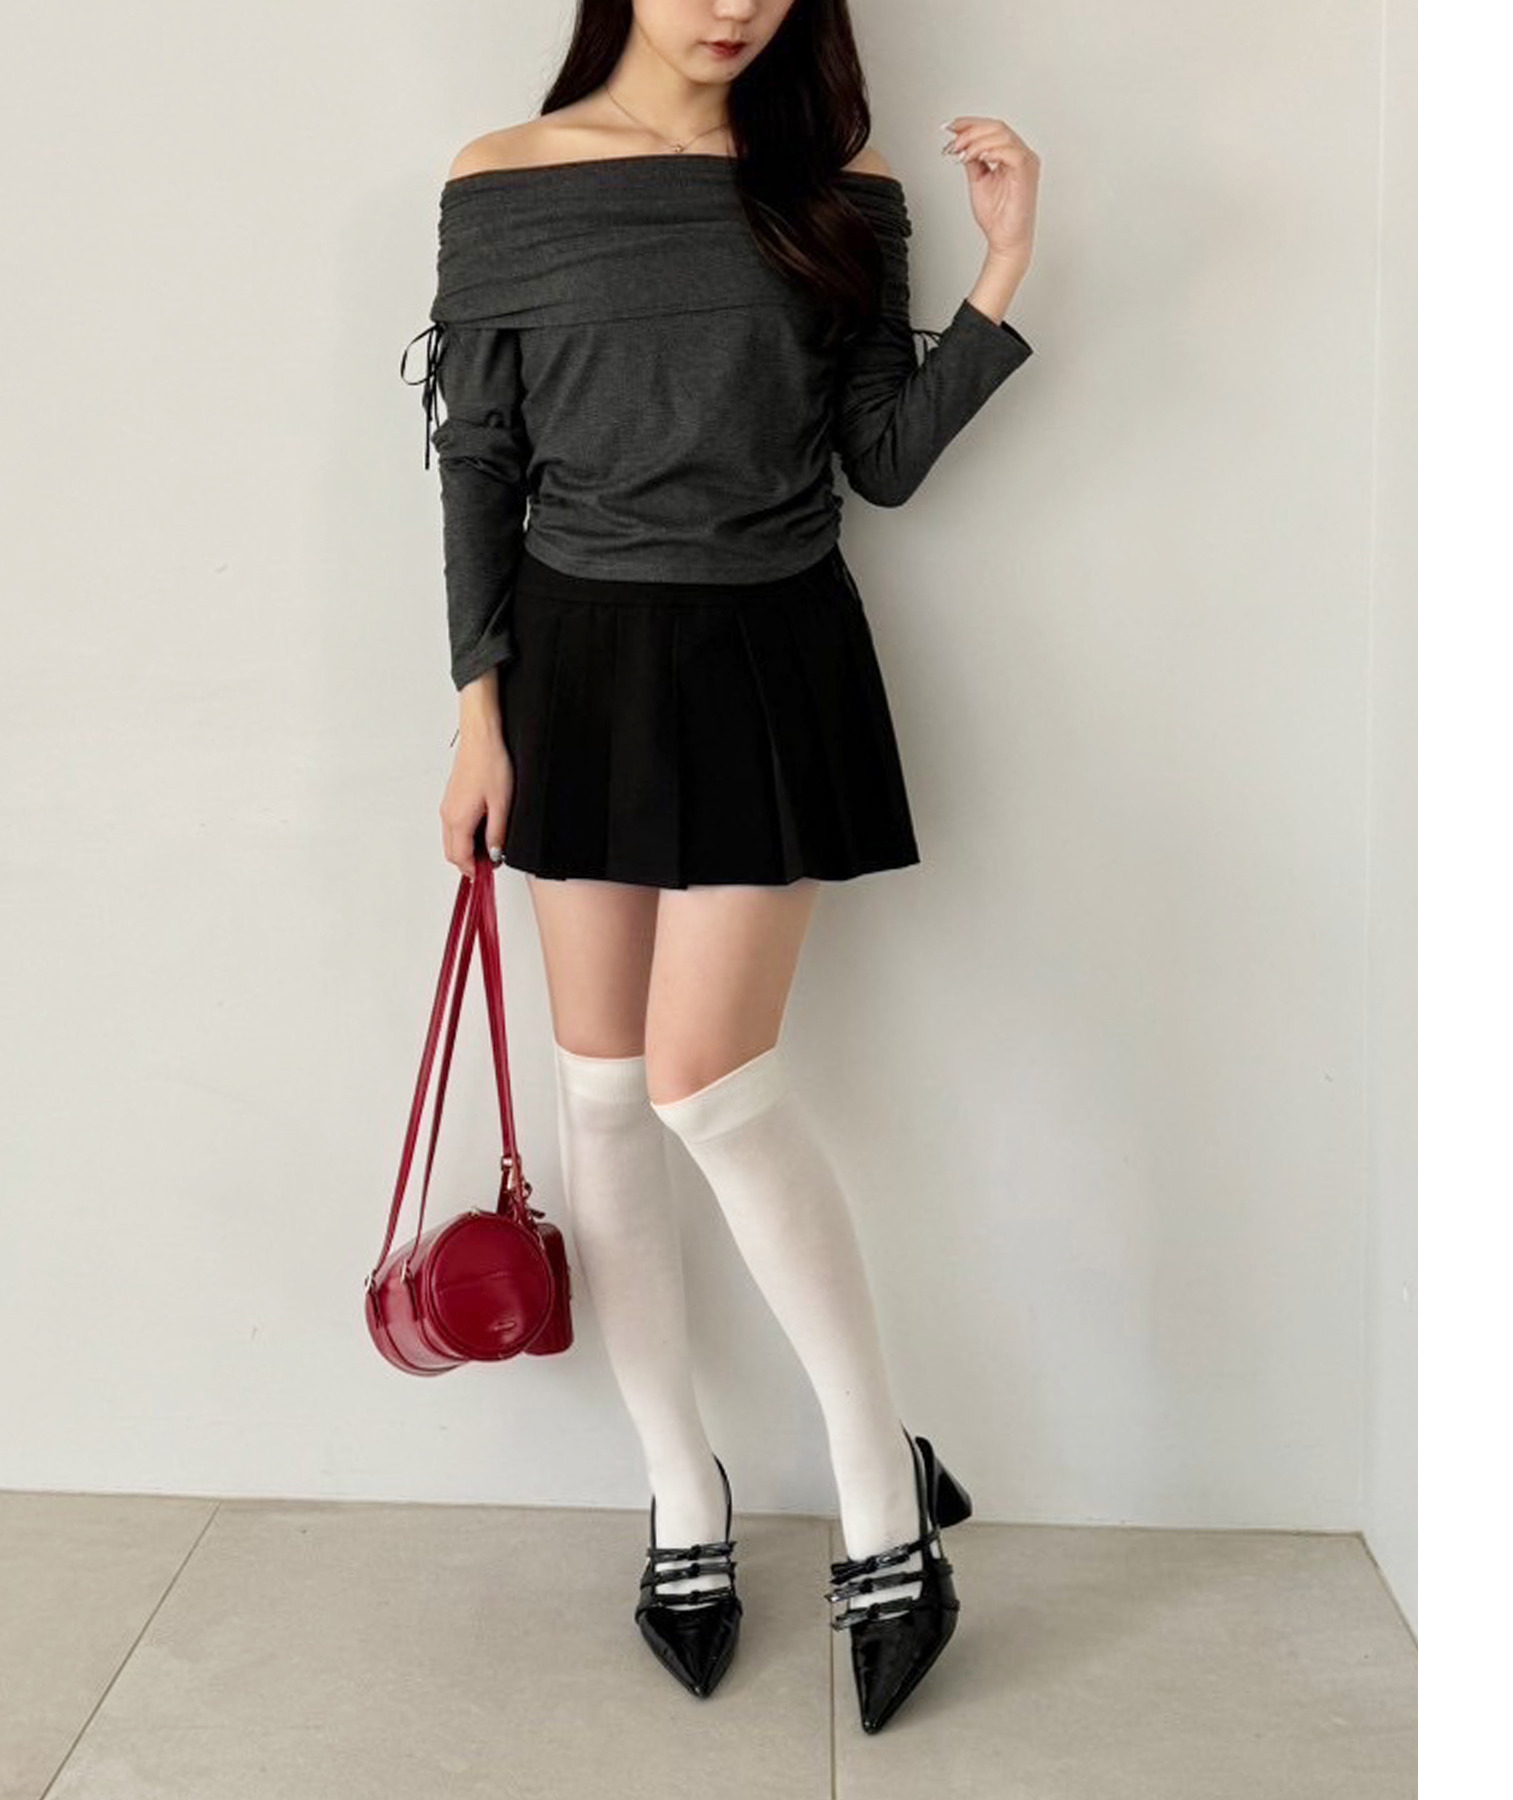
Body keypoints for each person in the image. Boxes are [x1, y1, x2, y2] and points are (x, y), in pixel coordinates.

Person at [401, 0, 1038, 1734]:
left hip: (771, 656)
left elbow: (881, 465)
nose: (733, 3)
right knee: (606, 1096)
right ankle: (682, 1491)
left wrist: (1001, 268)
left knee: (707, 1085)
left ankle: (881, 1492)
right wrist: (477, 716)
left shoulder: (836, 187)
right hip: (574, 664)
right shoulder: (505, 180)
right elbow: (477, 461)